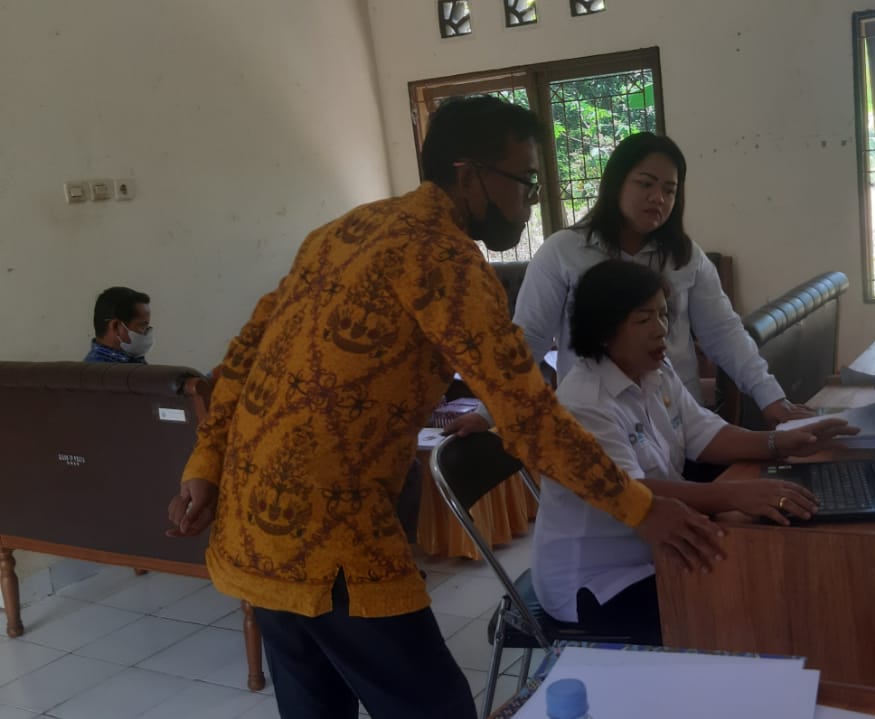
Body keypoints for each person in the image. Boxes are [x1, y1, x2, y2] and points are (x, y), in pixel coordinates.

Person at [165, 96, 725, 719]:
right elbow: (529, 416)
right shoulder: (444, 258)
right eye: (525, 181)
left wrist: (204, 464)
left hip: (251, 522)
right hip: (334, 535)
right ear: (470, 175)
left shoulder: (341, 231)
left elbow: (241, 358)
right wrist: (640, 507)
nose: (531, 201)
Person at [532, 260, 855, 645]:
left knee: (773, 578)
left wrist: (779, 442)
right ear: (603, 331)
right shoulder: (583, 403)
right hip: (599, 580)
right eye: (643, 319)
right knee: (746, 608)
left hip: (662, 546)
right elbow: (632, 492)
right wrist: (733, 494)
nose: (660, 329)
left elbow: (703, 432)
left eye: (663, 314)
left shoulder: (655, 370)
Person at [447, 131, 814, 441]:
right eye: (646, 184)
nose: (658, 198)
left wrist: (772, 399)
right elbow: (529, 341)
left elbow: (724, 333)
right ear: (616, 183)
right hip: (598, 428)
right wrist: (487, 411)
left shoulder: (684, 256)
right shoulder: (564, 251)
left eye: (670, 190)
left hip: (680, 425)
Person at [84, 286, 153, 363]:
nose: (147, 333)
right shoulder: (101, 369)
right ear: (116, 326)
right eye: (143, 326)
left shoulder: (130, 361)